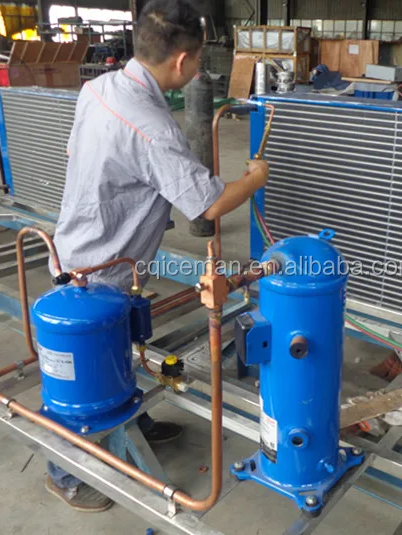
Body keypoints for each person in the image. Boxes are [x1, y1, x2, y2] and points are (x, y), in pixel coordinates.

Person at [45, 0, 269, 512]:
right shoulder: (153, 127)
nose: (199, 70)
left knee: (117, 348)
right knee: (81, 381)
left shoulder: (98, 88)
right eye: (199, 61)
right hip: (99, 268)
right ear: (182, 61)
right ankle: (65, 473)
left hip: (81, 246)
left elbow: (73, 152)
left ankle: (131, 421)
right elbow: (209, 203)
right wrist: (254, 178)